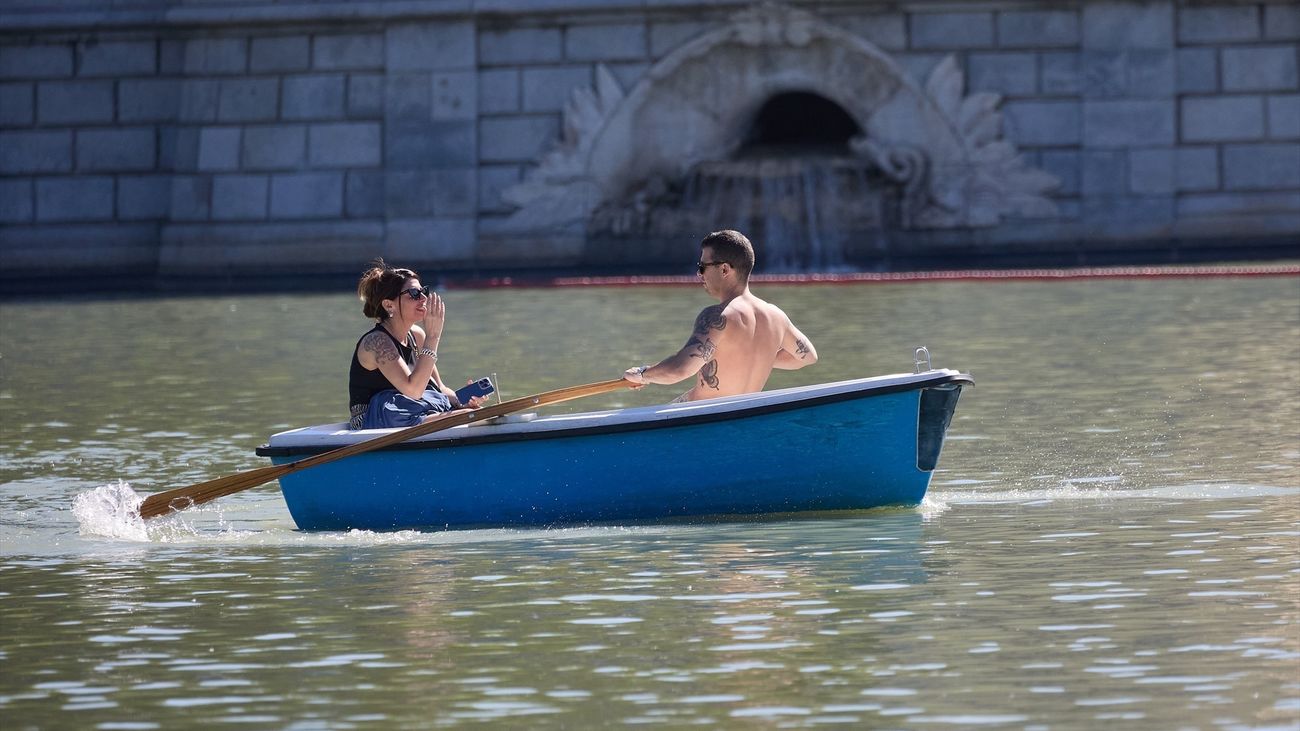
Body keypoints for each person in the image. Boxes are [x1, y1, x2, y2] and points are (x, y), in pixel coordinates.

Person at [622, 229, 817, 402]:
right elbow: (807, 357)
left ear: (724, 269)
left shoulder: (718, 316)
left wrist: (642, 374)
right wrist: (757, 357)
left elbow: (681, 369)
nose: (699, 275)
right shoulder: (777, 316)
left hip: (701, 422)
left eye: (702, 267)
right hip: (743, 418)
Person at [349, 260, 486, 429]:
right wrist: (433, 337)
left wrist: (464, 400)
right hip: (375, 417)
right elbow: (413, 390)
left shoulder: (417, 335)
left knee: (471, 412)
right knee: (466, 416)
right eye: (414, 293)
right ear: (388, 304)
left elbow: (439, 388)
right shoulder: (376, 342)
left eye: (423, 291)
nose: (423, 298)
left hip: (414, 410)